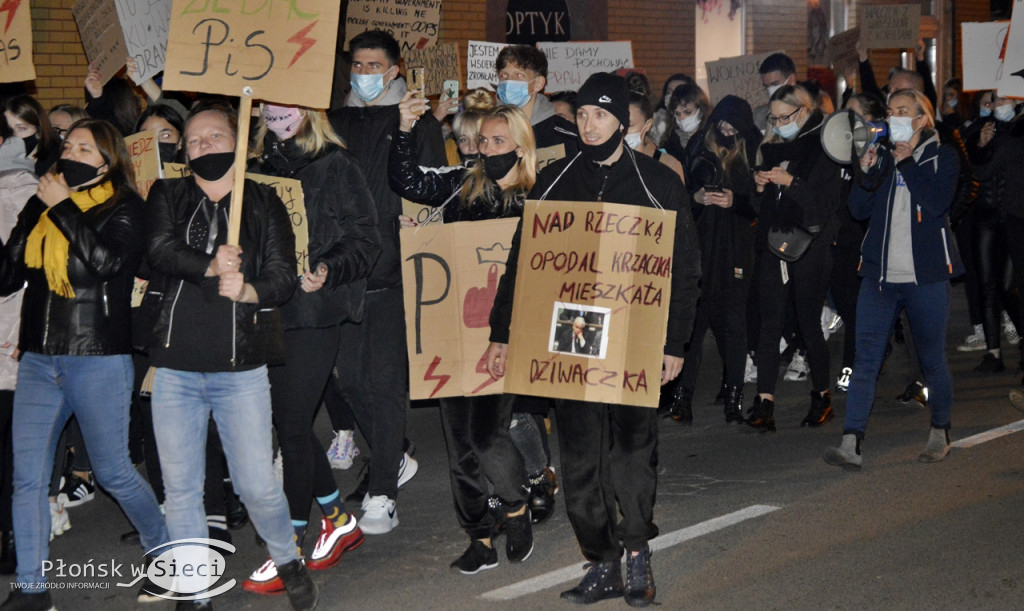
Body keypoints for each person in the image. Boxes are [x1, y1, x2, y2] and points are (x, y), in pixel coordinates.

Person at [486, 72, 701, 607]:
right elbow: (522, 262)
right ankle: (600, 560)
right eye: (581, 114)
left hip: (634, 337)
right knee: (581, 460)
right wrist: (502, 332)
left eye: (600, 115)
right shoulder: (554, 180)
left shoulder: (659, 184)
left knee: (631, 454)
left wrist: (674, 343)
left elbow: (685, 268)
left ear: (622, 123)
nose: (588, 124)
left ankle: (636, 554)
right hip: (571, 339)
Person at [143, 102, 317, 610]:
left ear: (238, 144)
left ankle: (287, 558)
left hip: (241, 371)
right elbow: (157, 248)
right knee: (181, 490)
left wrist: (247, 291)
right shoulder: (168, 194)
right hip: (175, 369)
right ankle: (195, 589)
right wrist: (210, 263)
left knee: (257, 486)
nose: (201, 148)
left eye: (214, 137)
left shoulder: (264, 202)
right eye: (193, 141)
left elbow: (284, 278)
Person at [0, 118, 169, 609]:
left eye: (83, 147)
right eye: (67, 144)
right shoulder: (42, 202)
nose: (70, 152)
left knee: (114, 471)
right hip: (37, 358)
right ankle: (32, 589)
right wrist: (31, 217)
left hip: (96, 357)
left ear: (106, 160)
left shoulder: (125, 208)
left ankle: (165, 550)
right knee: (28, 477)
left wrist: (64, 209)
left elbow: (106, 265)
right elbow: (8, 278)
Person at [390, 101, 536, 573]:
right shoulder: (461, 186)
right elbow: (407, 182)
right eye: (483, 141)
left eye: (499, 141)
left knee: (487, 435)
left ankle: (516, 505)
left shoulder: (541, 196)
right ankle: (479, 536)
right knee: (459, 447)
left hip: (510, 333)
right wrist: (404, 129)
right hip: (453, 330)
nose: (488, 150)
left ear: (520, 144)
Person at [242, 102, 379, 593]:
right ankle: (338, 518)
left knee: (294, 429)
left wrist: (328, 269)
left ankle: (289, 547)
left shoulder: (336, 166)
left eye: (287, 106)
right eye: (268, 107)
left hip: (315, 315)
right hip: (265, 311)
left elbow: (366, 239)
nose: (277, 114)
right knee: (289, 424)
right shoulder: (252, 167)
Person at [327, 29, 442, 533]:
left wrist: (426, 228)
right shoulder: (334, 119)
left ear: (395, 70)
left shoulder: (419, 120)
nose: (365, 74)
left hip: (397, 264)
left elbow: (436, 182)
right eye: (358, 65)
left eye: (375, 66)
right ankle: (392, 452)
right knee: (347, 379)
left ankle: (382, 493)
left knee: (386, 381)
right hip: (343, 265)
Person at [824, 89, 963, 469]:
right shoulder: (882, 157)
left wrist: (907, 166)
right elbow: (857, 210)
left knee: (931, 359)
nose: (894, 116)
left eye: (904, 111)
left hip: (927, 277)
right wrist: (866, 172)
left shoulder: (942, 156)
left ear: (923, 118)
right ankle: (851, 442)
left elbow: (936, 204)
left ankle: (940, 431)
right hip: (880, 276)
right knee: (865, 359)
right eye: (890, 111)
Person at [746, 84, 842, 431]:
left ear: (803, 112)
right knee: (770, 323)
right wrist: (761, 186)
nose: (778, 123)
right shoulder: (772, 148)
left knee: (807, 323)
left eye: (784, 117)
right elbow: (762, 207)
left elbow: (825, 206)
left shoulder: (826, 148)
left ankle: (822, 396)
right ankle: (764, 401)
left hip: (811, 247)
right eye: (773, 117)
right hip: (775, 244)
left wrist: (791, 182)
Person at [667, 95, 759, 424]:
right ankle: (682, 399)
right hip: (701, 243)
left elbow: (761, 204)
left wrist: (736, 201)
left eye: (733, 126)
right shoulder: (698, 145)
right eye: (722, 124)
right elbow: (681, 195)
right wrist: (698, 197)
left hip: (736, 246)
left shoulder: (754, 148)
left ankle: (733, 398)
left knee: (734, 324)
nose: (726, 130)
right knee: (695, 319)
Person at [830, 93, 885, 392]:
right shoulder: (837, 147)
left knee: (855, 309)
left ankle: (851, 365)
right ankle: (877, 351)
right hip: (838, 237)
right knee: (845, 303)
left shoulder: (878, 151)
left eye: (854, 113)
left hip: (862, 240)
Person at [0, 130, 36, 576]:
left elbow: (18, 278)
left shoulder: (21, 195)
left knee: (13, 453)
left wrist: (17, 335)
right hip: (12, 341)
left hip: (9, 342)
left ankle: (13, 541)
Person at [969, 95, 1024, 373]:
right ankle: (993, 352)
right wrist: (980, 143)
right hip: (989, 215)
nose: (999, 103)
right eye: (995, 99)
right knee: (989, 283)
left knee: (1009, 287)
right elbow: (973, 166)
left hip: (1014, 217)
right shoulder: (984, 128)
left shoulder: (1017, 132)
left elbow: (985, 168)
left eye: (1006, 98)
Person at [495, 45, 578, 154]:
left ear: (538, 83)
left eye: (519, 75)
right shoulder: (489, 130)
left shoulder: (564, 136)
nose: (509, 81)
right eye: (504, 75)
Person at [625, 92, 686, 185]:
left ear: (648, 125)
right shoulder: (605, 161)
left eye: (629, 125)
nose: (622, 131)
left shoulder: (667, 164)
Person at [3, 95, 60, 176]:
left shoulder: (57, 158)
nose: (14, 135)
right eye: (8, 129)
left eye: (22, 128)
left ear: (39, 129)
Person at [755, 53, 798, 132]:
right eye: (766, 86)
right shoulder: (760, 115)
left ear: (791, 80)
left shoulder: (809, 112)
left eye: (775, 84)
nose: (770, 90)